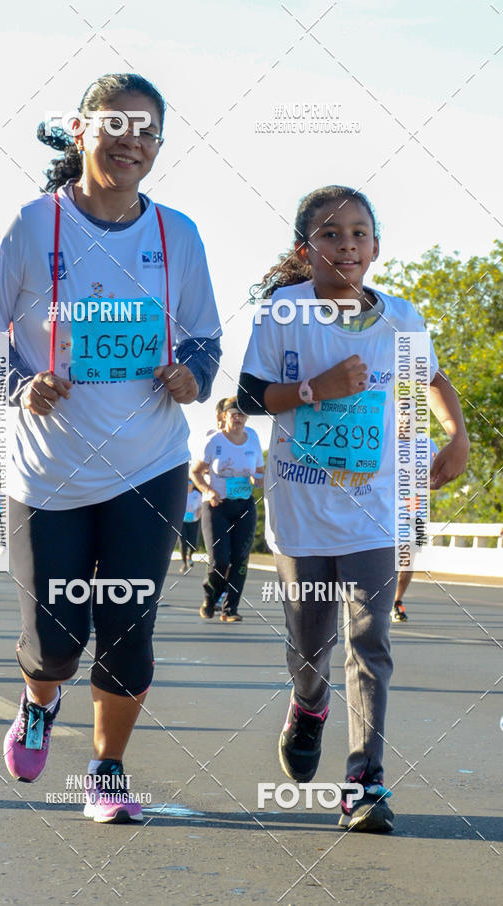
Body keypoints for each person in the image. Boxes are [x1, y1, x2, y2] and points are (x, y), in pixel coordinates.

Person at [0, 73, 221, 824]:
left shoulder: (177, 234)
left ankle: (107, 771)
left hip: (149, 463)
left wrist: (190, 375)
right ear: (79, 132)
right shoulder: (30, 227)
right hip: (48, 470)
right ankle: (39, 699)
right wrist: (21, 385)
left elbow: (205, 338)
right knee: (54, 640)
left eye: (146, 130)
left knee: (127, 626)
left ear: (158, 146)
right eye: (114, 125)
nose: (131, 141)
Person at [237, 185, 469, 832]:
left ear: (377, 247)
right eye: (331, 235)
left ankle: (364, 784)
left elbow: (429, 377)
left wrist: (459, 435)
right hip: (301, 509)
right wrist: (316, 390)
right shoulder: (283, 311)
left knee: (370, 641)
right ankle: (308, 705)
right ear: (304, 248)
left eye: (359, 234)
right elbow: (251, 397)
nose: (347, 245)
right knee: (311, 650)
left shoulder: (401, 316)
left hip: (373, 506)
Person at [191, 397, 264, 622]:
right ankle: (210, 598)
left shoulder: (252, 438)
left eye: (243, 414)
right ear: (225, 416)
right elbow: (195, 473)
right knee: (220, 560)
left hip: (244, 504)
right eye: (235, 413)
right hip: (217, 506)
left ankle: (230, 609)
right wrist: (209, 490)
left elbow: (260, 472)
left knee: (240, 558)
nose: (239, 418)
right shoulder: (214, 441)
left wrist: (257, 479)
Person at [391, 438, 439, 622]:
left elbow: (434, 478)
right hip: (387, 509)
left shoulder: (428, 444)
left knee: (408, 560)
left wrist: (435, 477)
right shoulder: (387, 436)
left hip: (415, 511)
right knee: (385, 559)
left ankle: (397, 601)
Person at [179, 479, 202, 573]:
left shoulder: (197, 495)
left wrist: (199, 513)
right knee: (183, 542)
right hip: (182, 522)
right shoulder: (181, 494)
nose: (188, 485)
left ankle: (190, 555)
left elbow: (201, 506)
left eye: (190, 484)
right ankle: (184, 564)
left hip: (194, 521)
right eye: (187, 484)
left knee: (193, 544)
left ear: (193, 485)